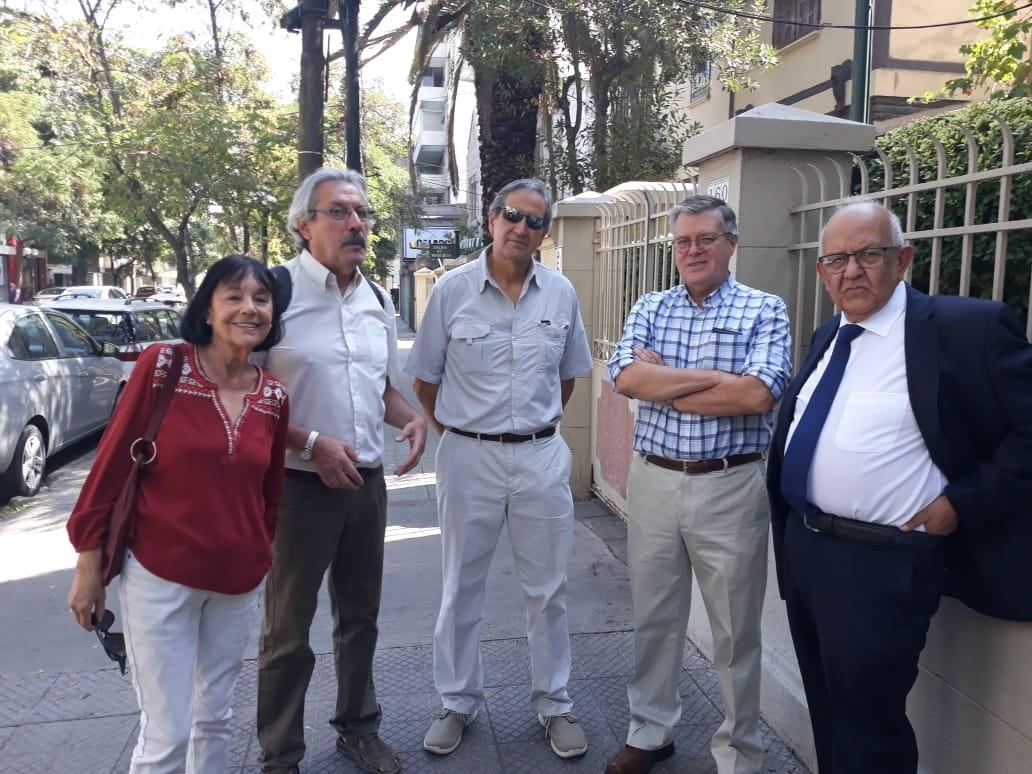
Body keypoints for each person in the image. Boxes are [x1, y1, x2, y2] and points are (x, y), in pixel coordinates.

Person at [767, 201, 1032, 774]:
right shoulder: (828, 335)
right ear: (821, 271)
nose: (851, 271)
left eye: (869, 254)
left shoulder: (965, 329)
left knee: (871, 728)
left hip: (883, 564)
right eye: (837, 259)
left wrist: (961, 504)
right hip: (809, 551)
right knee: (830, 713)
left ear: (903, 258)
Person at [66, 254, 290, 773]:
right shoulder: (164, 366)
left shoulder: (273, 395)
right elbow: (110, 467)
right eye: (233, 297)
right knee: (167, 732)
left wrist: (261, 557)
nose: (249, 309)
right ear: (208, 310)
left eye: (261, 299)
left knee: (216, 720)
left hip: (238, 583)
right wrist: (89, 566)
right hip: (160, 577)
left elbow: (269, 494)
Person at [405, 178, 594, 759]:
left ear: (546, 233)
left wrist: (529, 431)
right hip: (468, 456)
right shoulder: (452, 291)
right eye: (513, 214)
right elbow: (425, 380)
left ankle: (554, 704)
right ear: (492, 218)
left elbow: (565, 378)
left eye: (535, 221)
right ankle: (457, 701)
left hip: (539, 455)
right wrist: (462, 438)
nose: (522, 227)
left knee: (548, 589)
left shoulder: (560, 293)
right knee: (461, 583)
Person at [605, 195, 792, 774]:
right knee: (655, 617)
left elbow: (759, 393)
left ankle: (739, 753)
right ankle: (650, 731)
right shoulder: (651, 305)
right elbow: (627, 377)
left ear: (731, 243)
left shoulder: (765, 309)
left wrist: (666, 380)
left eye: (706, 239)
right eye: (683, 241)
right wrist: (715, 379)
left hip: (730, 485)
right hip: (655, 480)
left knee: (735, 632)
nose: (693, 250)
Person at [255, 167, 427, 774]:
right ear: (304, 226)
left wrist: (410, 418)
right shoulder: (270, 293)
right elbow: (236, 394)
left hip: (366, 484)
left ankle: (359, 727)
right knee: (287, 630)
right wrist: (309, 443)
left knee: (360, 617)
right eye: (339, 213)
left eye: (362, 214)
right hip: (299, 489)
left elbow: (380, 391)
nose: (356, 224)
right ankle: (280, 754)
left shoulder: (376, 298)